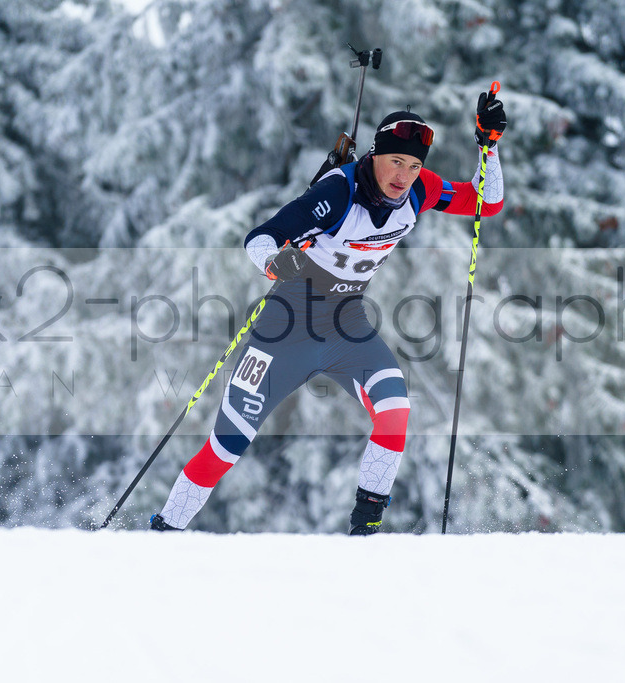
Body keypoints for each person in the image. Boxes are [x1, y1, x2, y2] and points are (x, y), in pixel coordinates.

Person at [151, 90, 507, 534]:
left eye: (414, 165)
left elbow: (484, 203)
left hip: (346, 327)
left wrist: (487, 147)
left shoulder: (421, 190)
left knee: (396, 409)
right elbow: (260, 237)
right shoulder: (338, 191)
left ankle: (366, 532)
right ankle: (164, 533)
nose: (404, 175)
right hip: (285, 330)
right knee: (226, 446)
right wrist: (275, 261)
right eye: (396, 161)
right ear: (375, 154)